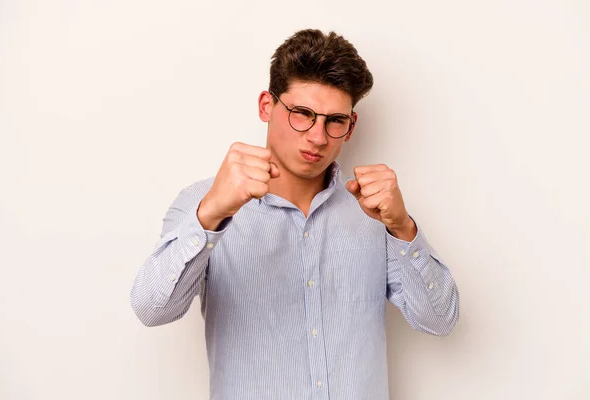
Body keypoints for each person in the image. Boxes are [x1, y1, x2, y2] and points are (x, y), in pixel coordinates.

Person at [130, 28, 459, 400]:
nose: (318, 137)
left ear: (351, 127)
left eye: (334, 120)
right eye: (302, 113)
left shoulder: (375, 212)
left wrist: (402, 228)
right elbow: (152, 309)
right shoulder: (202, 202)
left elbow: (439, 320)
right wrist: (210, 216)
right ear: (266, 106)